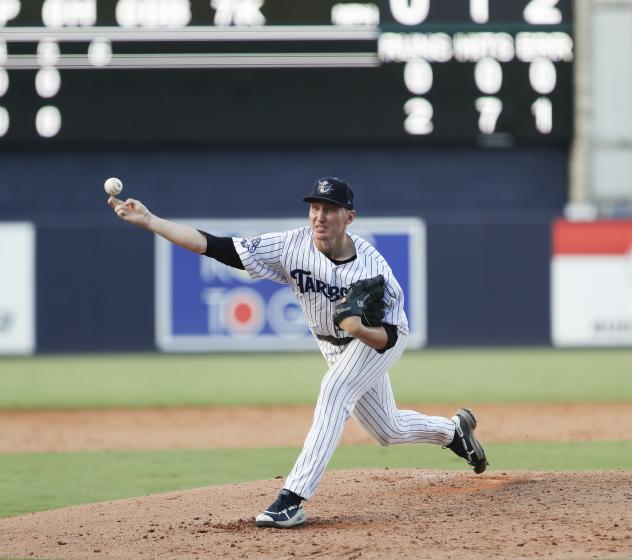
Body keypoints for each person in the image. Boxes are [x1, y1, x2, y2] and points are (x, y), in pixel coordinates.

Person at [107, 177, 488, 529]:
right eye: (315, 207)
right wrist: (152, 221)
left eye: (330, 209)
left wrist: (358, 328)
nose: (320, 216)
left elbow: (387, 337)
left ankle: (290, 499)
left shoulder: (372, 270)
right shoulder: (292, 245)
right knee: (387, 430)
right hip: (331, 343)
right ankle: (454, 432)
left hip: (380, 340)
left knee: (335, 391)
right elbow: (217, 247)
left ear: (349, 217)